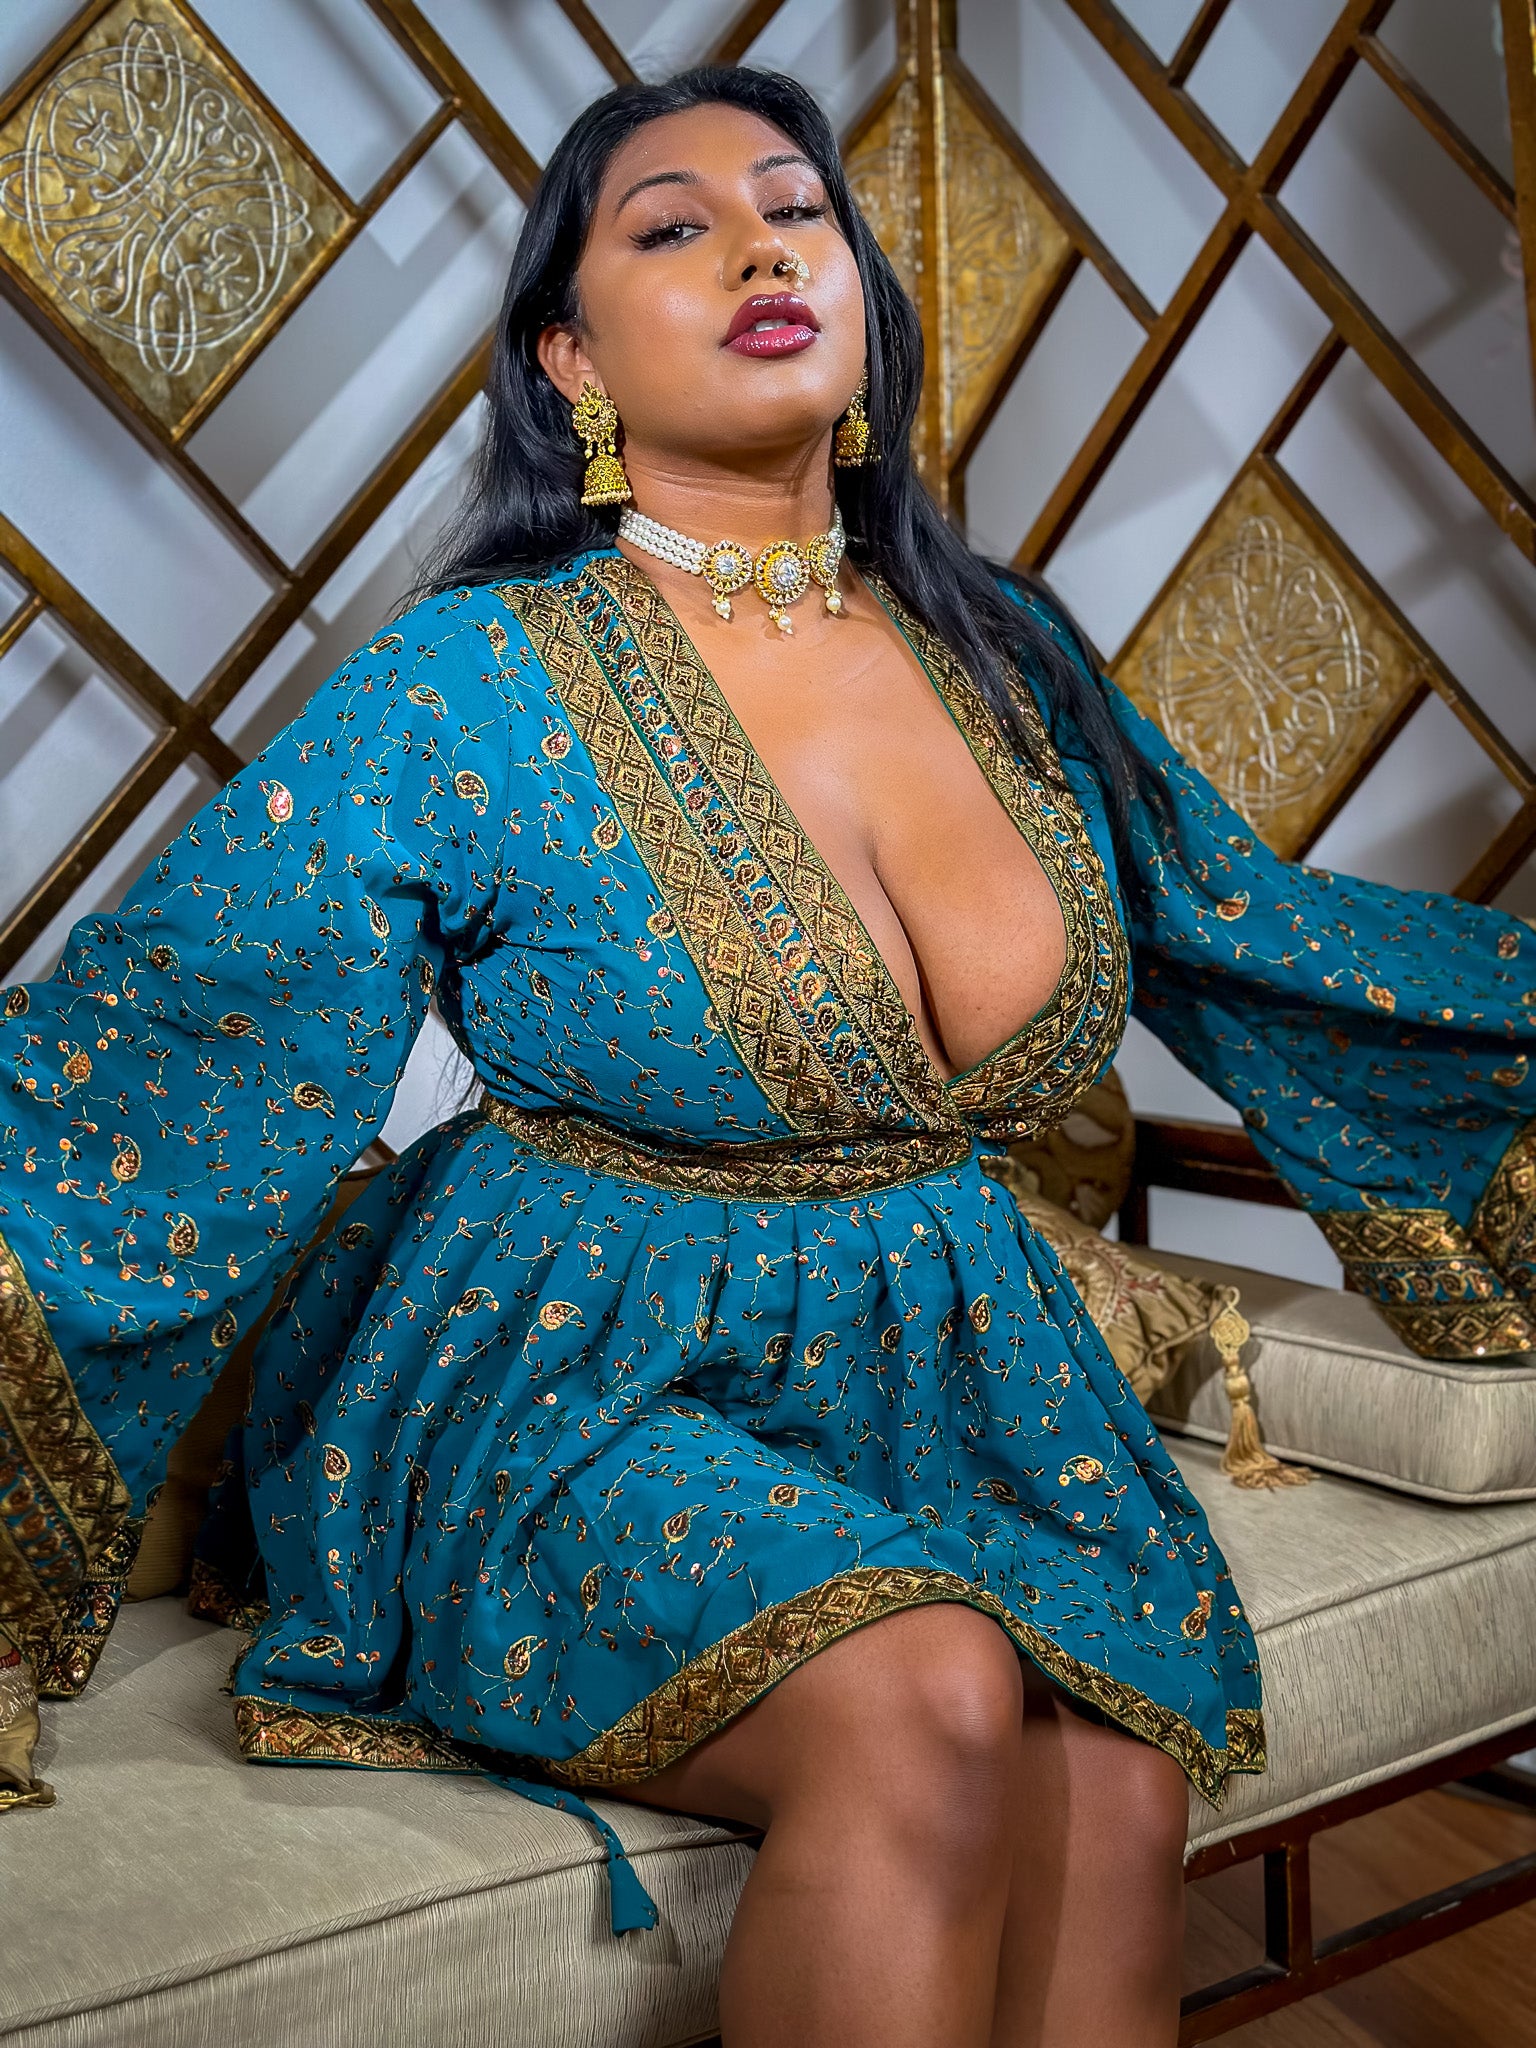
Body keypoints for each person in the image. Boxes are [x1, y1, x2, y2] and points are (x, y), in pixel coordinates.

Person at [3, 63, 1533, 2048]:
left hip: (957, 1374)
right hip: (569, 1376)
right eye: (675, 226)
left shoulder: (1002, 649)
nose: (761, 246)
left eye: (798, 208)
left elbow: (1266, 940)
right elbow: (172, 1055)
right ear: (568, 358)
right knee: (928, 1693)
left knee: (1117, 1748)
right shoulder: (474, 680)